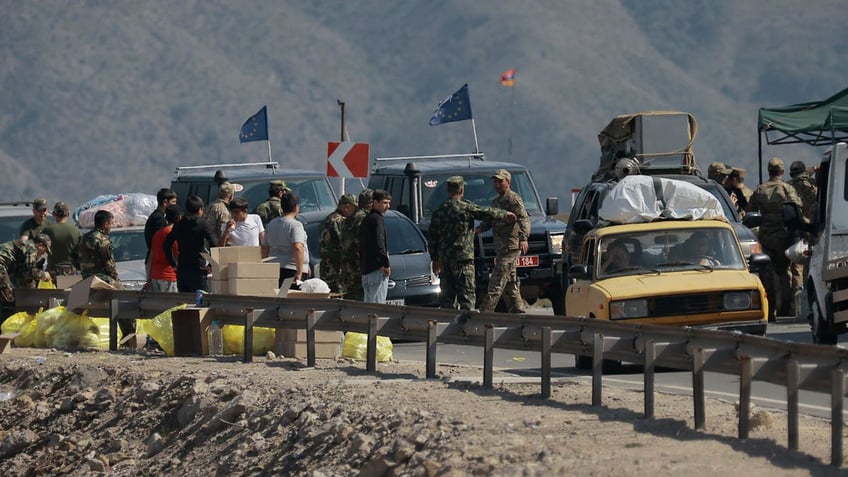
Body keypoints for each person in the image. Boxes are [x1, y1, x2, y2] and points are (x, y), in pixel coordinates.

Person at [429, 177, 514, 310]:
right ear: (462, 190)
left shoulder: (439, 211)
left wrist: (435, 259)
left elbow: (432, 237)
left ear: (448, 190)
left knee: (447, 300)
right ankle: (466, 328)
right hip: (463, 260)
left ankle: (446, 328)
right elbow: (485, 212)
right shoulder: (465, 208)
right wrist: (505, 214)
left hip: (445, 260)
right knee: (467, 297)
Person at [747, 157, 804, 321]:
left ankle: (770, 310)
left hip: (766, 238)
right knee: (785, 274)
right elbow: (797, 208)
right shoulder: (787, 189)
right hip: (784, 237)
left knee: (767, 275)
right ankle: (785, 309)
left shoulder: (760, 190)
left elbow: (750, 211)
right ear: (782, 171)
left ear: (769, 171)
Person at [477, 169, 531, 313]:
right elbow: (490, 219)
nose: (497, 184)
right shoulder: (496, 201)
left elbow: (523, 218)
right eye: (495, 181)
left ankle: (485, 312)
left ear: (508, 182)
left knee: (497, 278)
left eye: (500, 181)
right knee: (510, 282)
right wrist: (479, 229)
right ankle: (518, 312)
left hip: (511, 247)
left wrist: (523, 238)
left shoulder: (513, 199)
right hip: (501, 248)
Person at [163, 196, 217, 293]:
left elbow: (167, 244)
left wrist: (173, 263)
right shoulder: (202, 224)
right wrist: (211, 264)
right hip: (198, 267)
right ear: (200, 209)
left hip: (182, 268)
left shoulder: (179, 224)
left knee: (185, 301)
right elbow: (214, 243)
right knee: (201, 300)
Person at [264, 191, 310, 287]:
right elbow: (297, 247)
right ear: (296, 207)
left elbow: (265, 248)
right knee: (290, 298)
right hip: (291, 270)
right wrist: (300, 271)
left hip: (274, 268)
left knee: (278, 297)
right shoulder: (295, 225)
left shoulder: (271, 224)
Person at [788, 160, 818, 296]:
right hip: (812, 229)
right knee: (812, 261)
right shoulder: (813, 186)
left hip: (796, 228)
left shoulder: (788, 187)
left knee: (797, 266)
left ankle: (799, 297)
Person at [0, 234, 51, 312]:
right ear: (40, 245)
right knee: (8, 297)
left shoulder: (24, 247)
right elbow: (30, 271)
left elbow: (22, 274)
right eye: (45, 250)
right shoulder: (32, 247)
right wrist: (44, 275)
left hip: (3, 266)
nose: (44, 253)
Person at [319, 193, 357, 293]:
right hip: (336, 268)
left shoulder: (326, 219)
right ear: (347, 207)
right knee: (338, 298)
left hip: (325, 266)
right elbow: (344, 243)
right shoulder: (339, 221)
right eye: (354, 208)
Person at [339, 189, 373, 300]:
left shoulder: (349, 219)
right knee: (361, 303)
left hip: (347, 269)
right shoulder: (364, 219)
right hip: (359, 269)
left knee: (349, 302)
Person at [360, 189, 392, 303]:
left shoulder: (367, 219)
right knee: (377, 307)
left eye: (389, 203)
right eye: (384, 203)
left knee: (368, 305)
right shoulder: (377, 219)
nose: (387, 206)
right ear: (375, 202)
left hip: (366, 269)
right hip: (377, 270)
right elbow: (379, 243)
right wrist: (385, 264)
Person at [42, 201, 81, 279]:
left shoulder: (47, 230)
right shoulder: (76, 231)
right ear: (68, 214)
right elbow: (80, 253)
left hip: (52, 272)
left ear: (53, 214)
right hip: (71, 272)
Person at [147, 204, 181, 293]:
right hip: (169, 275)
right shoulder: (172, 234)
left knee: (159, 304)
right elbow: (177, 256)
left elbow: (151, 256)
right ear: (179, 218)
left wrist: (149, 279)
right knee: (171, 305)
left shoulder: (157, 234)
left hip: (155, 275)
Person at [144, 188, 177, 263]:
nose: (175, 205)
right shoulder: (158, 218)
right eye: (173, 202)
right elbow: (160, 241)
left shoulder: (157, 216)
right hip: (157, 261)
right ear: (165, 202)